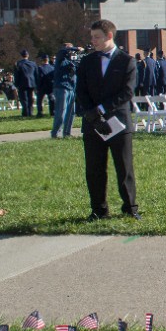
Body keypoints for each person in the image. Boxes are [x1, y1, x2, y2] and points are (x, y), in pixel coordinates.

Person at [75, 20, 140, 221]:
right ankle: (98, 209)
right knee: (94, 168)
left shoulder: (126, 61)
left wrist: (102, 109)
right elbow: (81, 91)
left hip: (118, 121)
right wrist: (92, 113)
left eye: (97, 37)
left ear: (109, 36)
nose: (92, 41)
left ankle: (130, 208)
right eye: (92, 37)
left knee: (124, 167)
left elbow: (127, 92)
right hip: (93, 122)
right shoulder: (87, 61)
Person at [52, 42, 78, 139]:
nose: (71, 52)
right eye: (69, 49)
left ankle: (67, 133)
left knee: (71, 112)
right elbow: (62, 51)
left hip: (71, 88)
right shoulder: (60, 59)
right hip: (61, 88)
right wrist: (75, 48)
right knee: (61, 111)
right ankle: (55, 133)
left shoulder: (72, 62)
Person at [14, 50, 37, 117]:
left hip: (22, 83)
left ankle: (26, 112)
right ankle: (31, 112)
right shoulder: (33, 63)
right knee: (30, 98)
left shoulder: (18, 64)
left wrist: (16, 84)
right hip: (31, 83)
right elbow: (36, 74)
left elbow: (16, 75)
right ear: (28, 55)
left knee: (23, 99)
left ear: (21, 56)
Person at [35, 51, 55, 118]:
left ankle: (40, 112)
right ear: (48, 60)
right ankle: (52, 112)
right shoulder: (52, 68)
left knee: (40, 100)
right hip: (50, 86)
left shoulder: (40, 68)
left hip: (42, 86)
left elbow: (39, 78)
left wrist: (37, 87)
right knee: (51, 99)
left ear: (42, 60)